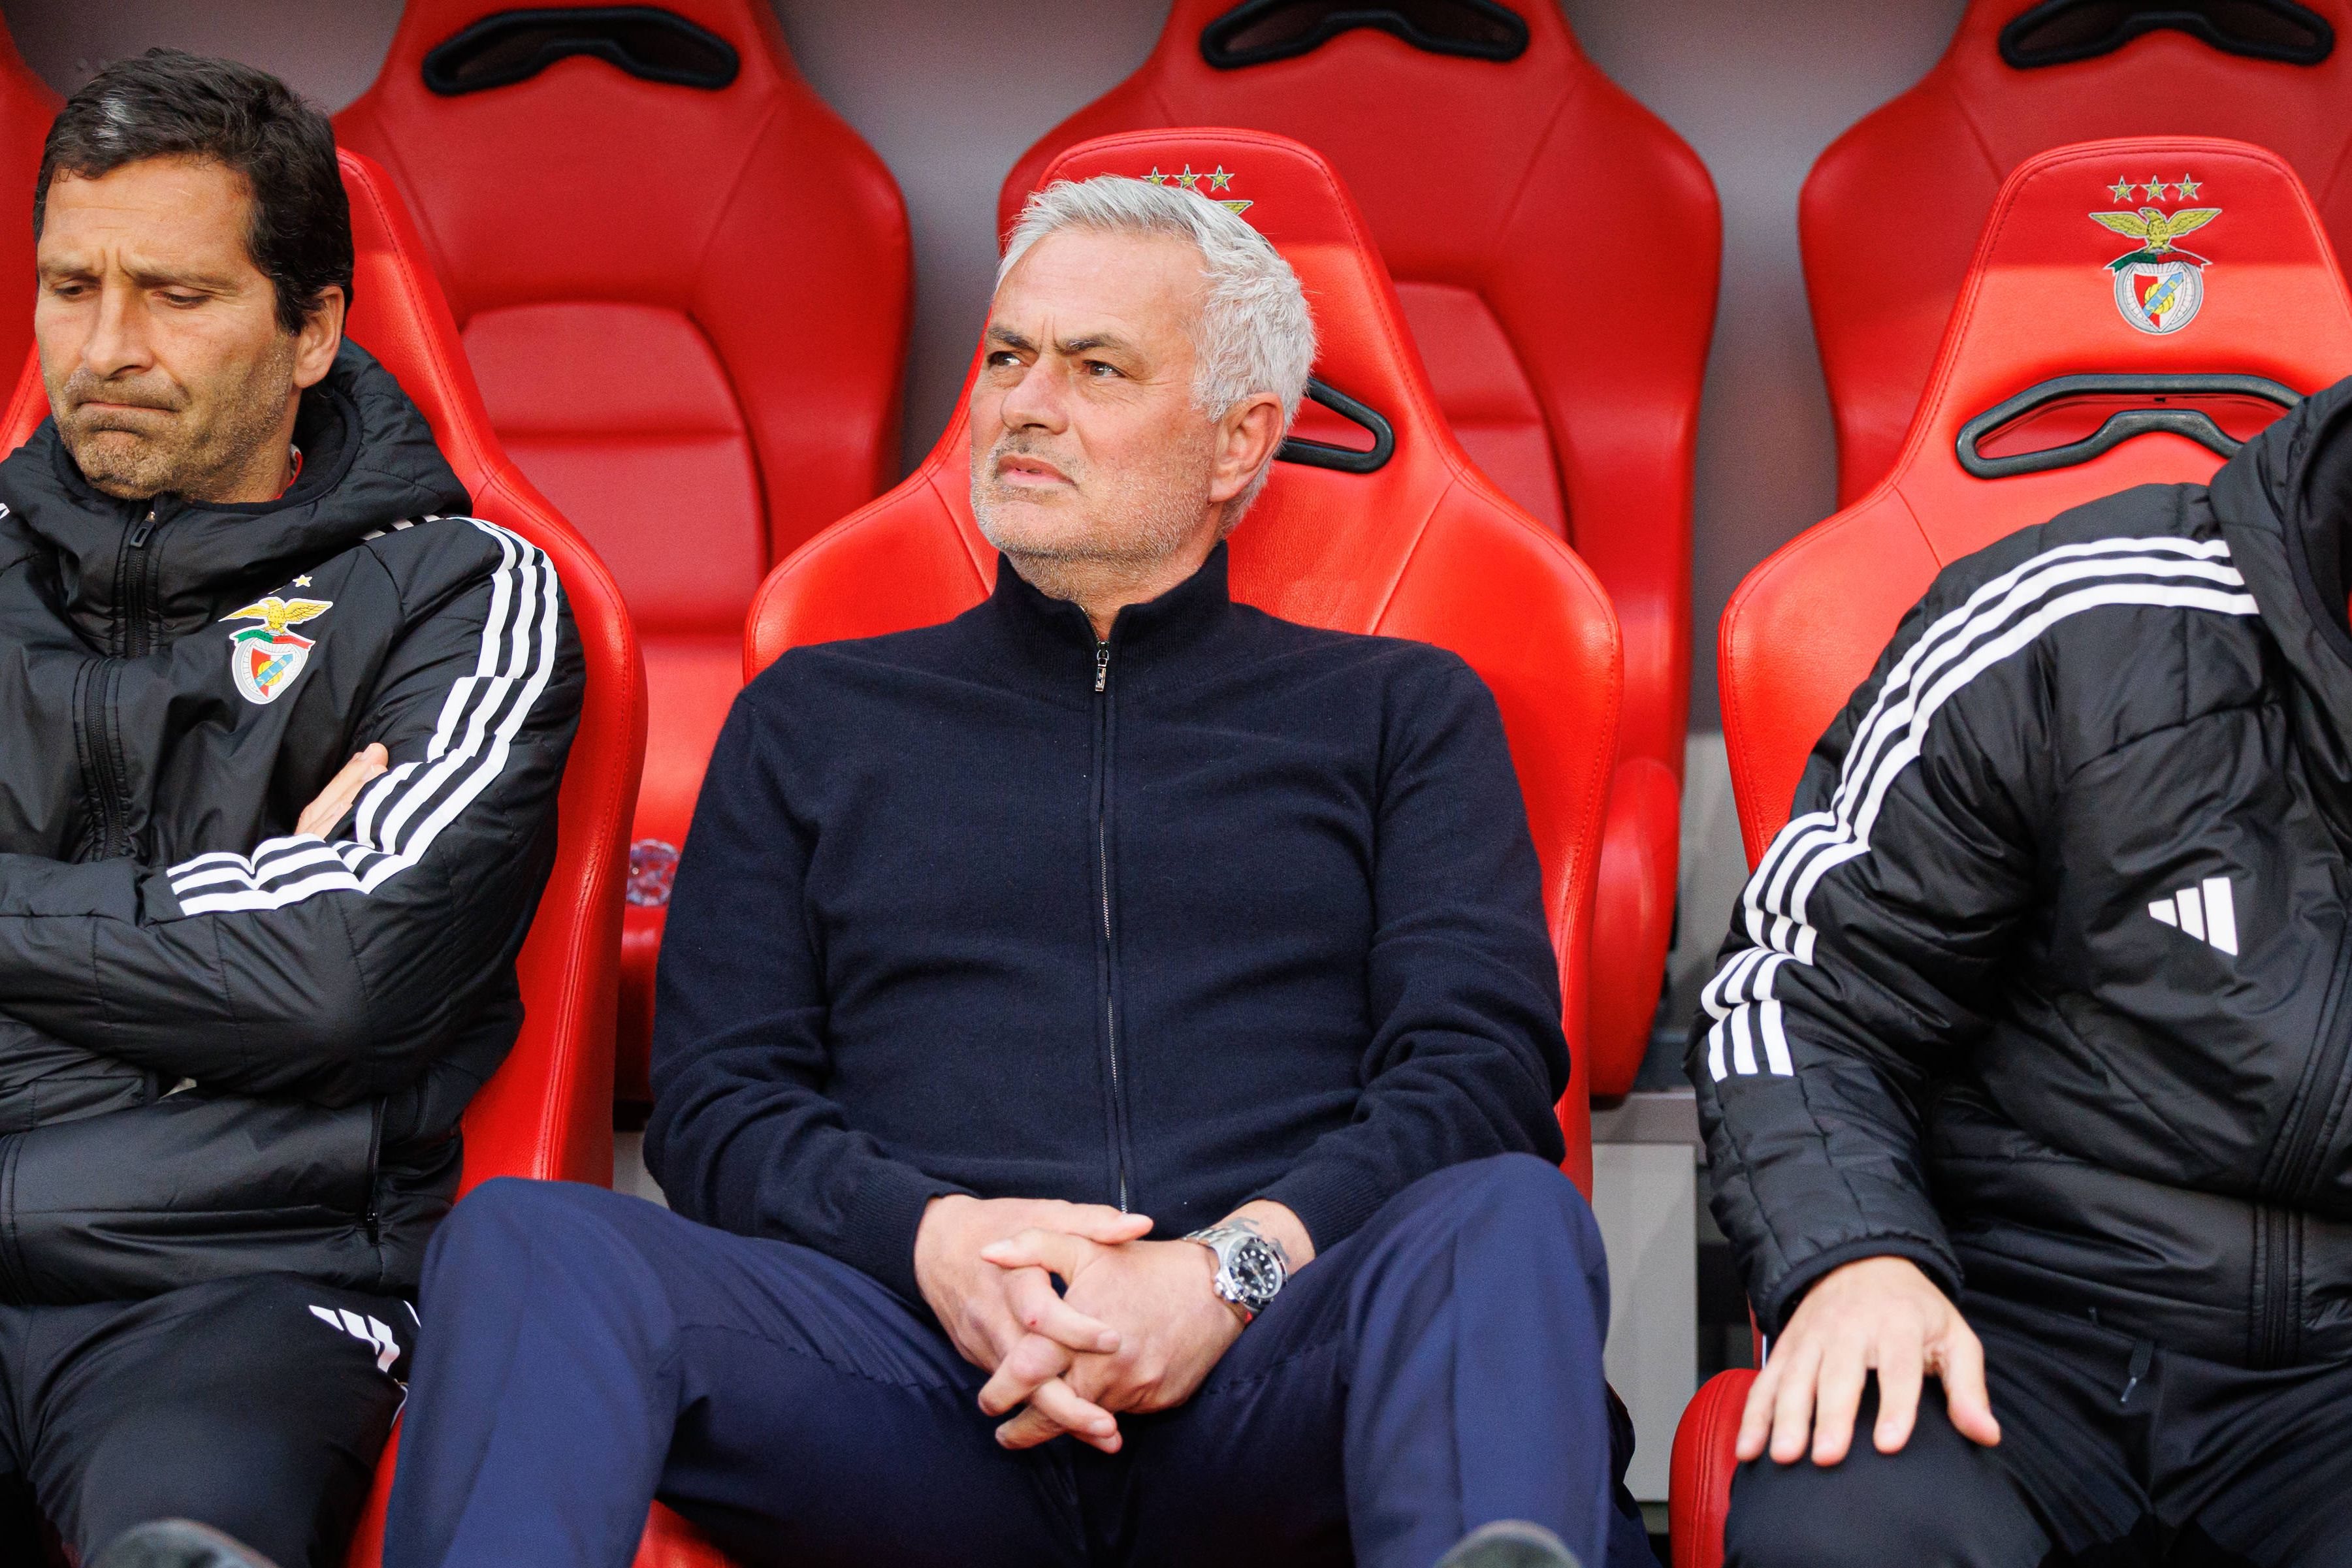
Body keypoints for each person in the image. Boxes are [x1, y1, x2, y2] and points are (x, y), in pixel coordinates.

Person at [385, 176, 1645, 1568]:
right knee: (531, 1245)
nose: (1024, 403)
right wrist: (931, 1244)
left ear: (1240, 441)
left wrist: (1221, 1275)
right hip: (914, 1389)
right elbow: (719, 1107)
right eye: (1004, 358)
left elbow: (1473, 1081)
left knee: (1504, 1221)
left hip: (1277, 1378)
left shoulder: (1403, 713)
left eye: (1095, 366)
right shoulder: (814, 718)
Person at [0, 49, 583, 1568]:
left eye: (177, 296)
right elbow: (284, 952)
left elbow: (342, 973)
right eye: (72, 287)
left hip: (238, 1285)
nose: (107, 346)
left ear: (313, 326)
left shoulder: (465, 595)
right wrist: (242, 914)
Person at [1693, 379, 2352, 1564]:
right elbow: (1800, 992)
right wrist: (1858, 1254)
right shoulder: (2078, 620)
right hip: (2012, 1314)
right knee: (1840, 1533)